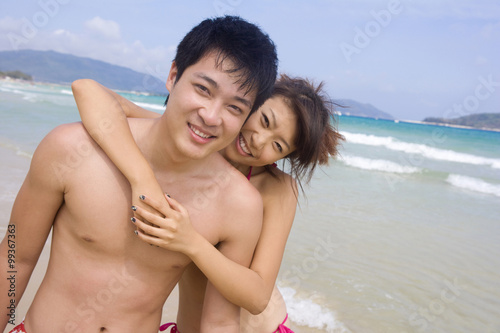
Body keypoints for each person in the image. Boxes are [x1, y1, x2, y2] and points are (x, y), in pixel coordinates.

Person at [0, 16, 278, 333]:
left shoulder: (238, 204)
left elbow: (219, 321)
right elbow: (15, 258)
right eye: (203, 89)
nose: (211, 116)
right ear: (173, 76)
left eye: (235, 108)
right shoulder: (71, 149)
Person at [76, 74, 343, 332]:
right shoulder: (192, 144)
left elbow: (258, 296)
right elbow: (90, 92)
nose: (259, 141)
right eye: (263, 120)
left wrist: (190, 242)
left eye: (278, 146)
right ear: (250, 101)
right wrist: (142, 178)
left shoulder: (277, 189)